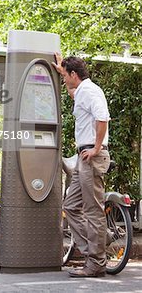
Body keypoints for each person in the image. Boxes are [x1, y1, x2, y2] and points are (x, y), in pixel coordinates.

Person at [53, 53, 111, 278]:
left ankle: (96, 262)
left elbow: (102, 118)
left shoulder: (91, 91)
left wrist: (96, 148)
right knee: (71, 205)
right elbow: (73, 94)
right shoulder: (82, 92)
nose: (65, 80)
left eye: (66, 76)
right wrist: (60, 70)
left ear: (74, 74)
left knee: (93, 211)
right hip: (83, 157)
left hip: (92, 156)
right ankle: (94, 252)